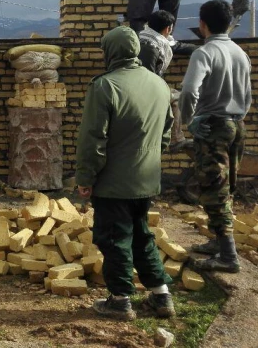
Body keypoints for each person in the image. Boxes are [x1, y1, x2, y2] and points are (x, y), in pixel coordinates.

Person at [76, 26, 175, 320]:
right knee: (141, 235)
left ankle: (119, 301)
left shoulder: (106, 86)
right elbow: (166, 133)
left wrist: (85, 178)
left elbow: (93, 138)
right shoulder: (159, 85)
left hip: (113, 181)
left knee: (114, 238)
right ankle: (161, 295)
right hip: (146, 178)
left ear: (110, 52)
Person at [179, 0, 251, 273]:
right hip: (237, 124)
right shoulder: (240, 53)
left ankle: (228, 257)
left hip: (213, 126)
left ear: (202, 24)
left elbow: (188, 91)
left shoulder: (205, 52)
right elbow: (247, 94)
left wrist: (190, 119)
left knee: (213, 187)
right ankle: (219, 243)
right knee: (227, 184)